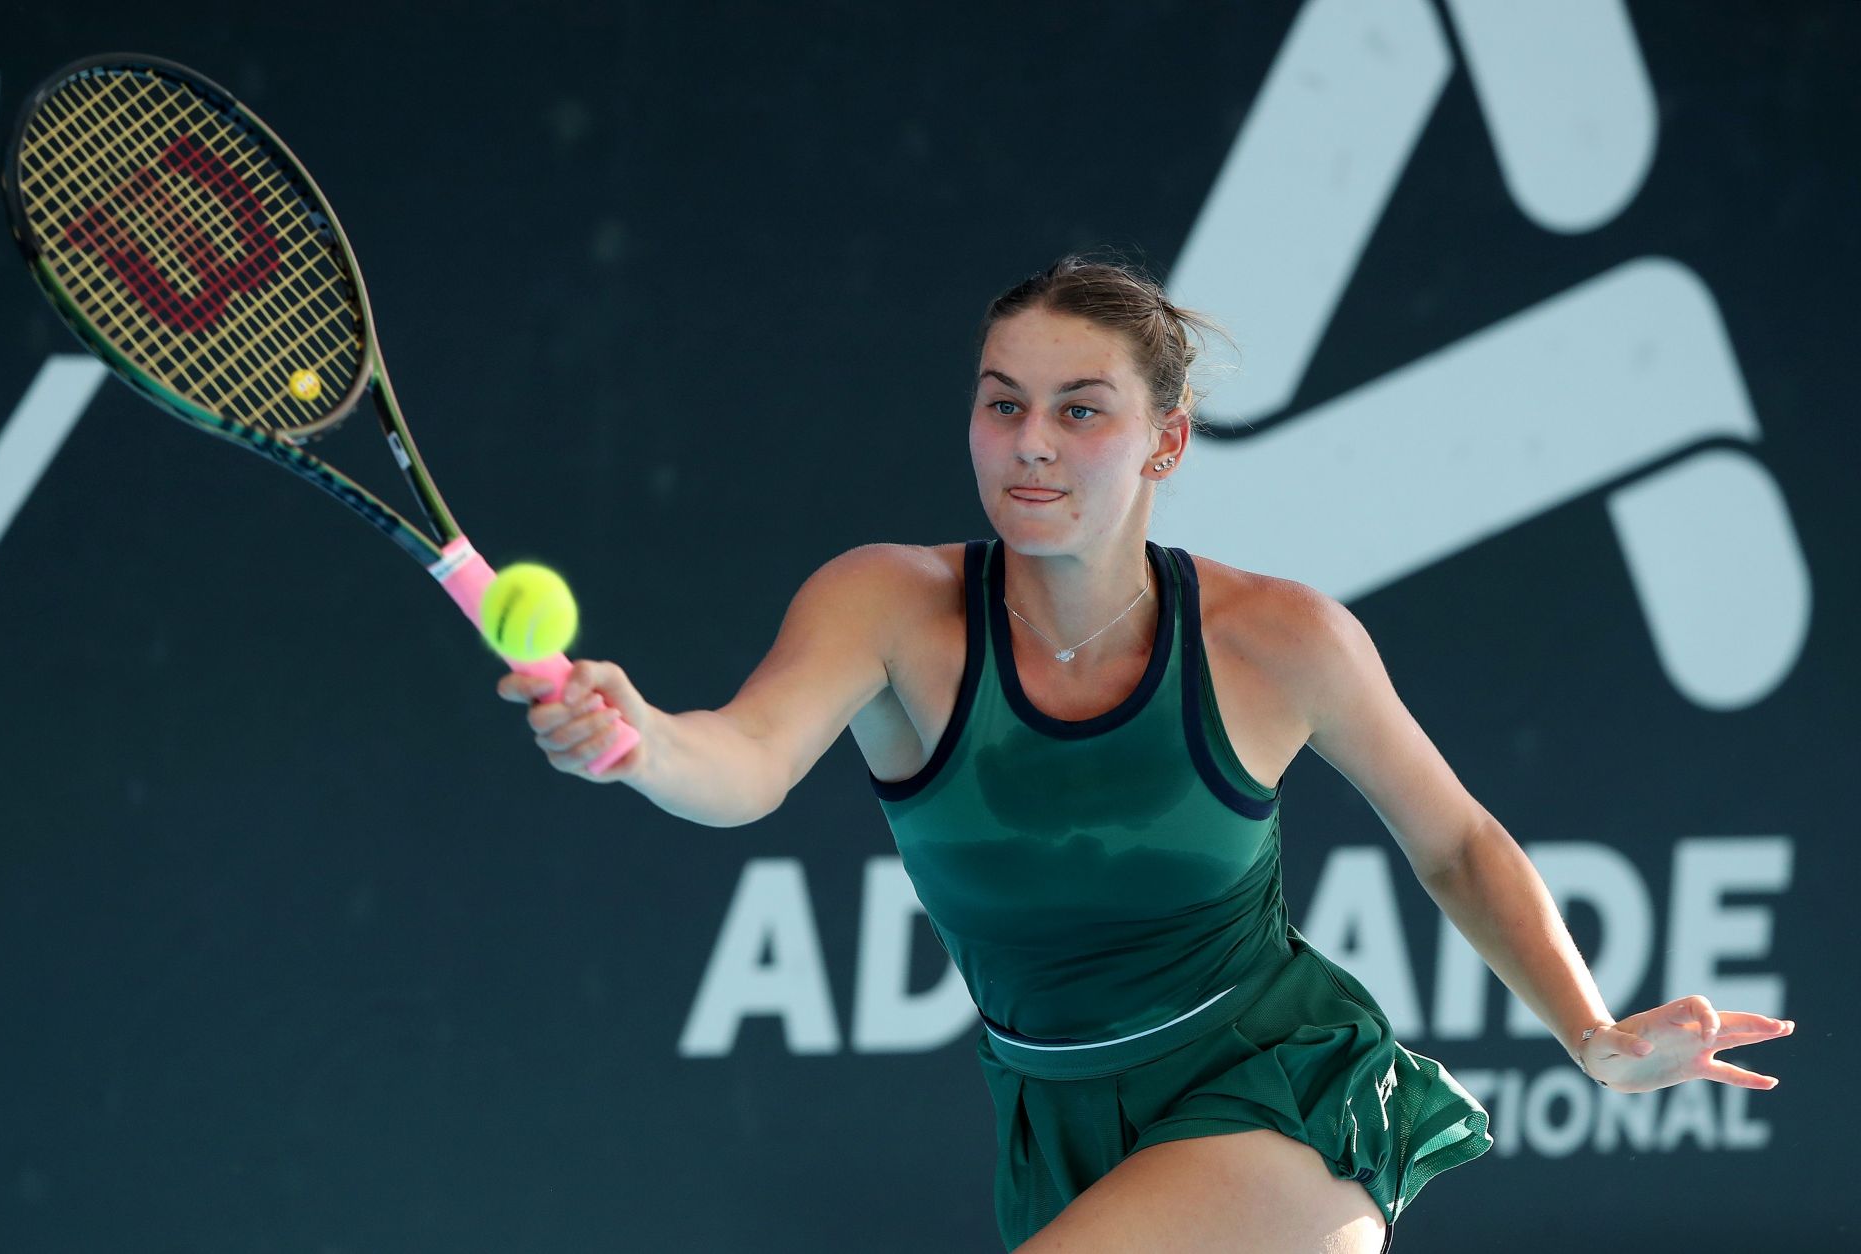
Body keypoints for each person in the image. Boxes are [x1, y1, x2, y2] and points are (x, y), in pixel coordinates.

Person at [498, 255, 1795, 1253]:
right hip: (1054, 1118)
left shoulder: (1280, 639)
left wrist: (1589, 1032)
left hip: (1282, 1093)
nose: (1034, 443)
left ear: (1166, 441)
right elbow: (744, 760)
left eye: (1082, 409)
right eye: (1003, 404)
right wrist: (641, 740)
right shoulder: (883, 605)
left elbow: (1455, 840)